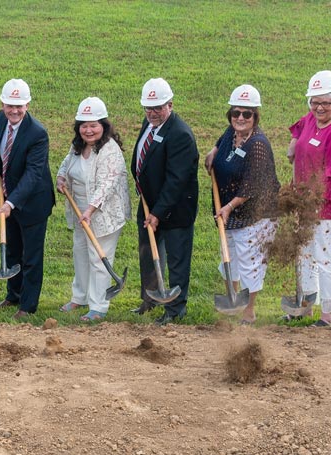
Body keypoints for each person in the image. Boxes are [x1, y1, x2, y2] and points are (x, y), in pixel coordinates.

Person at [204, 85, 280, 325]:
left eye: (247, 114)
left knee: (250, 261)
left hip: (256, 213)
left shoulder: (258, 144)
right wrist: (213, 152)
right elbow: (223, 139)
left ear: (255, 116)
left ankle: (249, 310)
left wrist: (227, 207)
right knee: (231, 257)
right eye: (236, 113)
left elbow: (252, 185)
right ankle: (232, 300)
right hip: (232, 211)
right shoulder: (232, 132)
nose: (240, 118)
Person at [287, 70, 331, 327]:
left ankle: (327, 315)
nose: (319, 108)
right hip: (306, 201)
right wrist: (294, 142)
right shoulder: (312, 118)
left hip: (330, 205)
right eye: (314, 102)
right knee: (305, 254)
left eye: (325, 103)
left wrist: (314, 203)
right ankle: (305, 307)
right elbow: (299, 126)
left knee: (326, 258)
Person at [131, 78, 199, 325]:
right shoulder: (149, 124)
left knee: (177, 259)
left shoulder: (180, 134)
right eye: (148, 108)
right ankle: (149, 300)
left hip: (175, 209)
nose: (152, 113)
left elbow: (176, 180)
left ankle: (175, 309)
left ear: (170, 104)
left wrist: (158, 213)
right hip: (149, 204)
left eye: (158, 108)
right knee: (148, 253)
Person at [56, 97, 130, 321]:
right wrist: (61, 177)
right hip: (80, 210)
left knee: (99, 258)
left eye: (93, 125)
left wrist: (90, 209)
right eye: (84, 125)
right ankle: (80, 297)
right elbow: (67, 162)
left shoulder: (110, 150)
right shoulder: (78, 146)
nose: (88, 130)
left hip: (103, 213)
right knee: (80, 253)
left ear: (103, 126)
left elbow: (107, 184)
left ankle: (98, 306)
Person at [0, 79, 53, 319]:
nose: (14, 111)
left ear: (27, 105)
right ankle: (13, 295)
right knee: (13, 251)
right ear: (2, 104)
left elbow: (33, 175)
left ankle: (28, 306)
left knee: (31, 257)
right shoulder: (1, 118)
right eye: (10, 105)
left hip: (33, 204)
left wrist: (10, 203)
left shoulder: (38, 134)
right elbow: (0, 144)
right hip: (11, 198)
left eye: (19, 106)